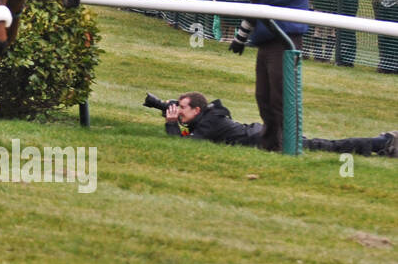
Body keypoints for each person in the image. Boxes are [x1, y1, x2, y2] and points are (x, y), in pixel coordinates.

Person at [237, 0, 310, 151]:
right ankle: (269, 144)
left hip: (285, 41)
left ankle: (288, 145)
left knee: (281, 97)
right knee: (263, 96)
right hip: (267, 40)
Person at [162, 92, 397, 156]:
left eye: (182, 108)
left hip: (267, 138)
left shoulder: (209, 122)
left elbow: (189, 146)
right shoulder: (208, 119)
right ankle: (381, 145)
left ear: (197, 110)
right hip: (263, 135)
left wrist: (172, 125)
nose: (178, 111)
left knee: (328, 147)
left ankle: (383, 142)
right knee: (324, 146)